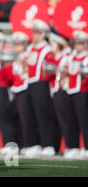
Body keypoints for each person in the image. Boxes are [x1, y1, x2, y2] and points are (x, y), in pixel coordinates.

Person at [25, 19, 61, 156]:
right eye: (33, 32)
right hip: (31, 83)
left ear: (43, 34)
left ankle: (48, 145)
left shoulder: (47, 50)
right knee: (31, 114)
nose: (33, 35)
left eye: (36, 32)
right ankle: (34, 144)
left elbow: (52, 68)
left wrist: (48, 69)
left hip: (41, 84)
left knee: (43, 115)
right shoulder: (30, 48)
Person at [62, 30, 88, 158]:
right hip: (71, 90)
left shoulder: (86, 57)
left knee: (84, 120)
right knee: (71, 120)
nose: (76, 46)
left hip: (83, 91)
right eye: (75, 43)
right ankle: (73, 146)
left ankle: (87, 147)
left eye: (79, 43)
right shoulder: (72, 56)